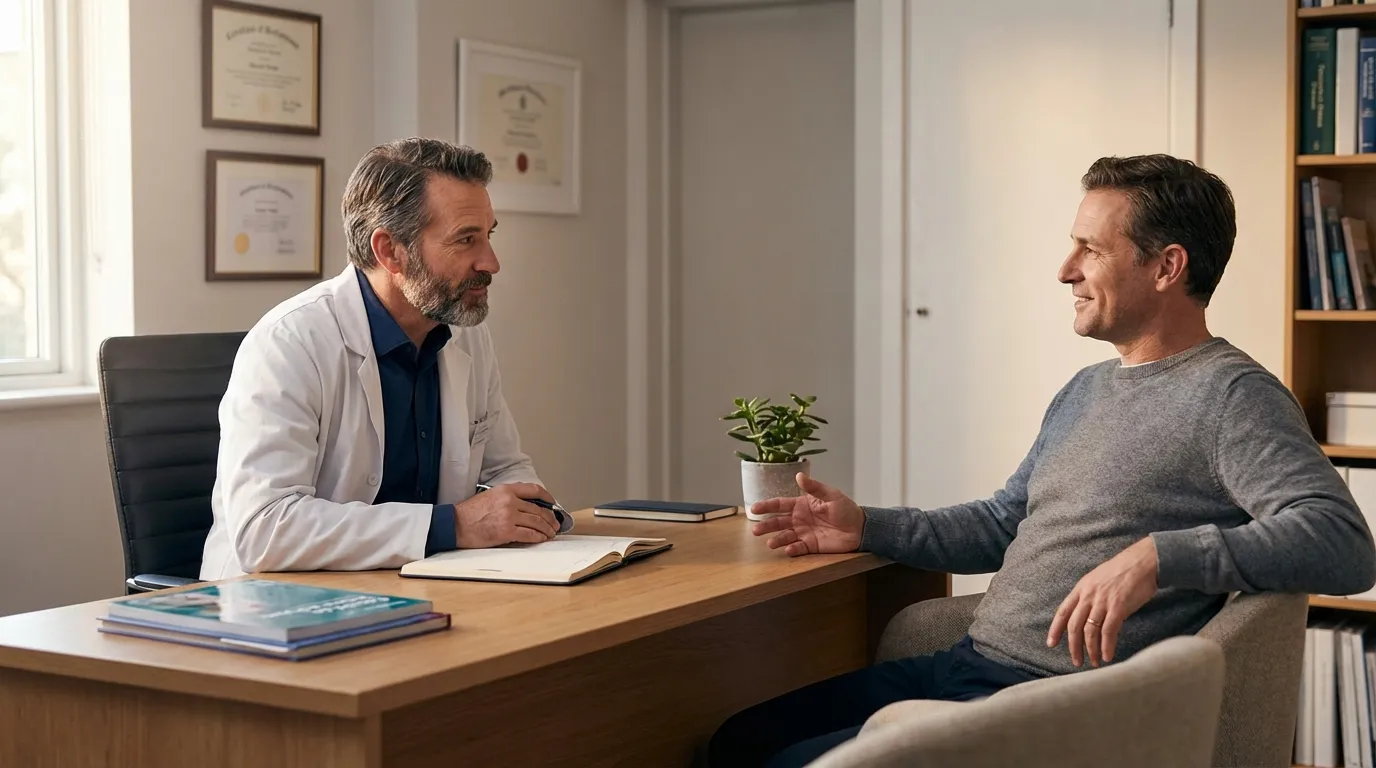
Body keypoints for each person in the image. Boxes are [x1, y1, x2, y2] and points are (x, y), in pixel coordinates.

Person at [708, 154, 1376, 767]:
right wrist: (867, 527)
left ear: (1166, 267)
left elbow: (1344, 543)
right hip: (966, 665)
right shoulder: (1086, 389)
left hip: (1049, 700)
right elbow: (1006, 522)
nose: (1065, 270)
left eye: (1090, 250)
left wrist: (1157, 556)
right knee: (732, 741)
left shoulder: (1234, 396)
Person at [200, 138, 565, 580]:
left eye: (488, 236)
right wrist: (454, 526)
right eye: (465, 240)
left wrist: (538, 514)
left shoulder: (465, 336)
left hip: (422, 591)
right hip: (278, 607)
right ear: (390, 251)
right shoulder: (290, 343)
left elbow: (504, 467)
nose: (490, 261)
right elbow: (265, 529)